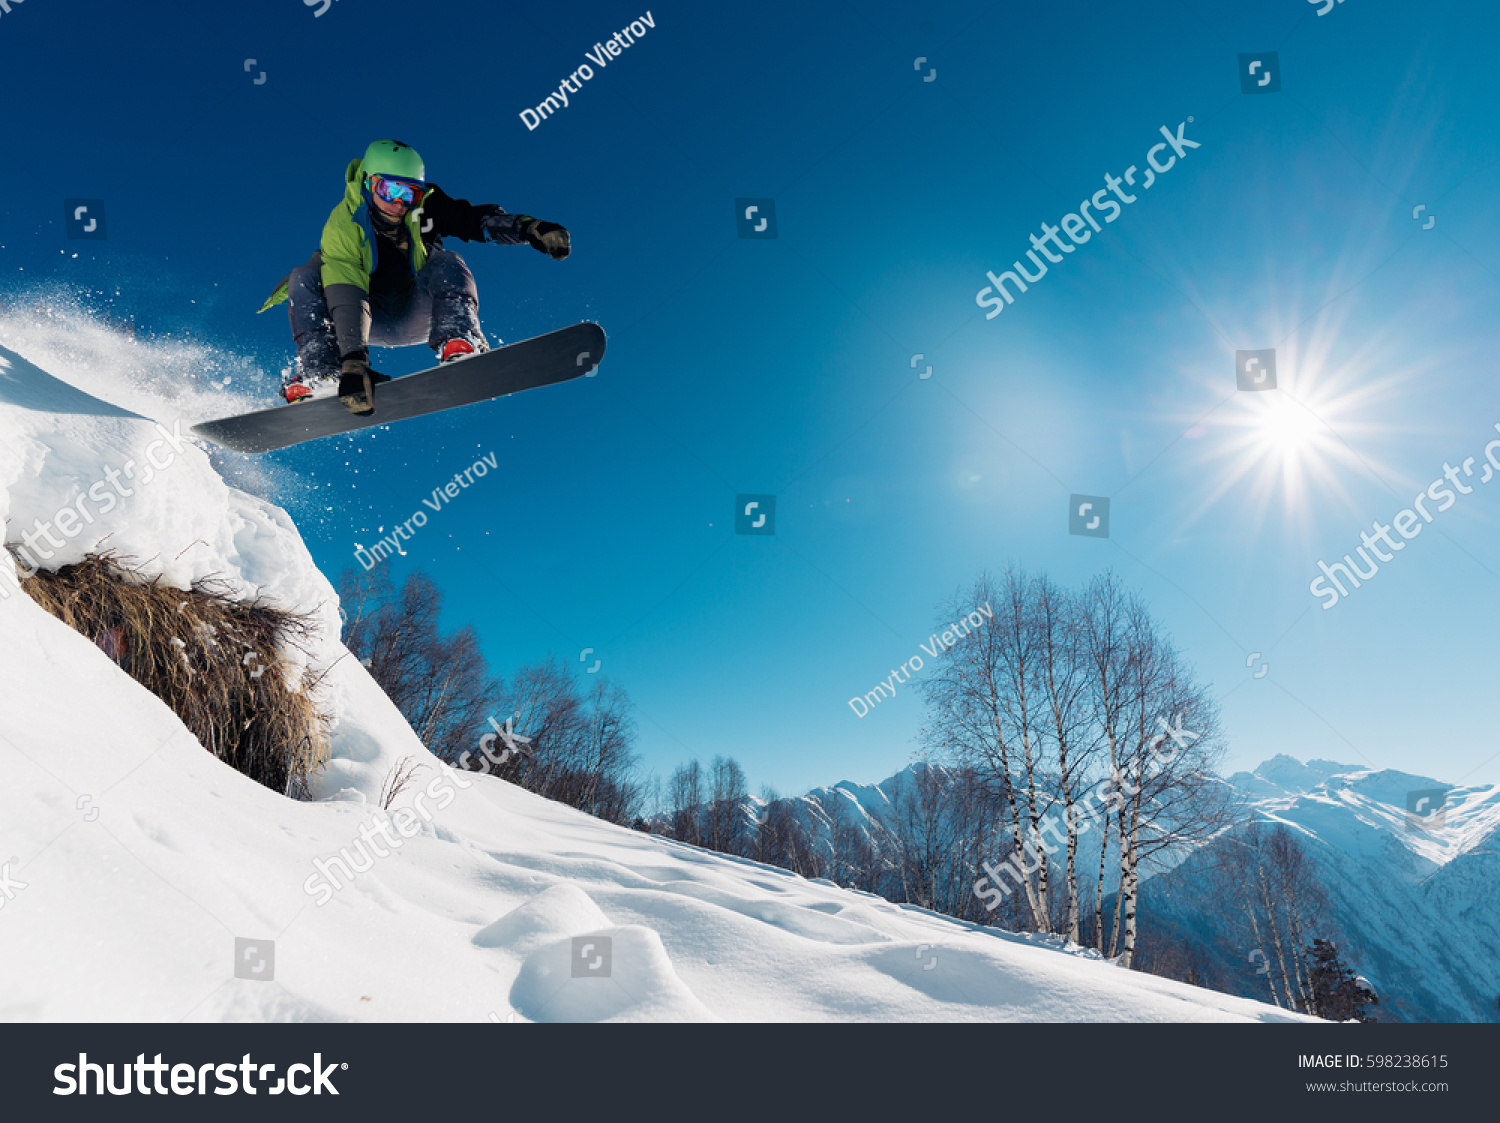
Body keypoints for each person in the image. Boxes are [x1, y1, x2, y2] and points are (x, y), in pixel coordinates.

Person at [257, 139, 571, 414]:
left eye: (409, 194)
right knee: (305, 276)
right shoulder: (345, 224)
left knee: (446, 260)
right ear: (369, 183)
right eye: (389, 189)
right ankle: (322, 373)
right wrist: (354, 363)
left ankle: (459, 340)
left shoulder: (427, 206)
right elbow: (347, 291)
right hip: (362, 320)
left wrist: (526, 228)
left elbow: (473, 220)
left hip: (420, 312)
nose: (398, 203)